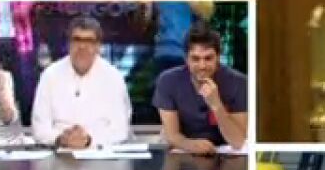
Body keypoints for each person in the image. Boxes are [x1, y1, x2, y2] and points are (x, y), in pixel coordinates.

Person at [31, 16, 132, 148]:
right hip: (59, 151)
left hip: (100, 153)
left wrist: (88, 140)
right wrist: (61, 139)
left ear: (98, 46)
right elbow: (39, 128)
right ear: (69, 43)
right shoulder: (50, 75)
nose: (82, 46)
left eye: (89, 41)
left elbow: (121, 129)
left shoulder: (113, 77)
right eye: (77, 40)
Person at [153, 21, 248, 154]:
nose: (202, 66)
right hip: (184, 151)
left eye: (208, 58)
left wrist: (216, 105)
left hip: (227, 152)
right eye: (195, 59)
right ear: (186, 59)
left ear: (218, 57)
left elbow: (238, 142)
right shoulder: (168, 81)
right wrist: (191, 145)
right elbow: (172, 135)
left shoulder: (239, 82)